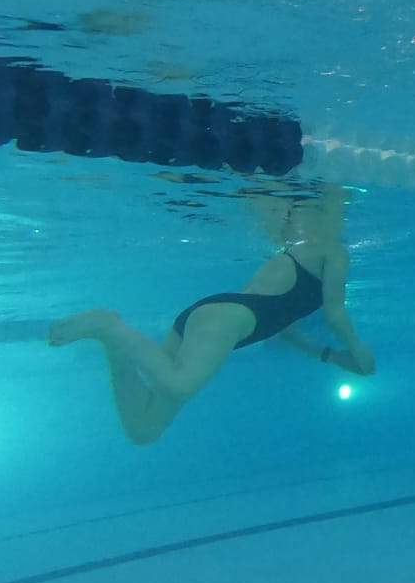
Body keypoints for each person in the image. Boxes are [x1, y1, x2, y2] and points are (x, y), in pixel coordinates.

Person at [49, 185, 375, 445]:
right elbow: (335, 312)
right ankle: (109, 326)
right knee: (178, 386)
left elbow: (285, 331)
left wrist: (333, 355)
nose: (344, 216)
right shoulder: (334, 251)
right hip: (226, 321)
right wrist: (357, 347)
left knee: (143, 430)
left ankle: (114, 345)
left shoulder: (296, 252)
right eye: (341, 208)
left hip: (212, 315)